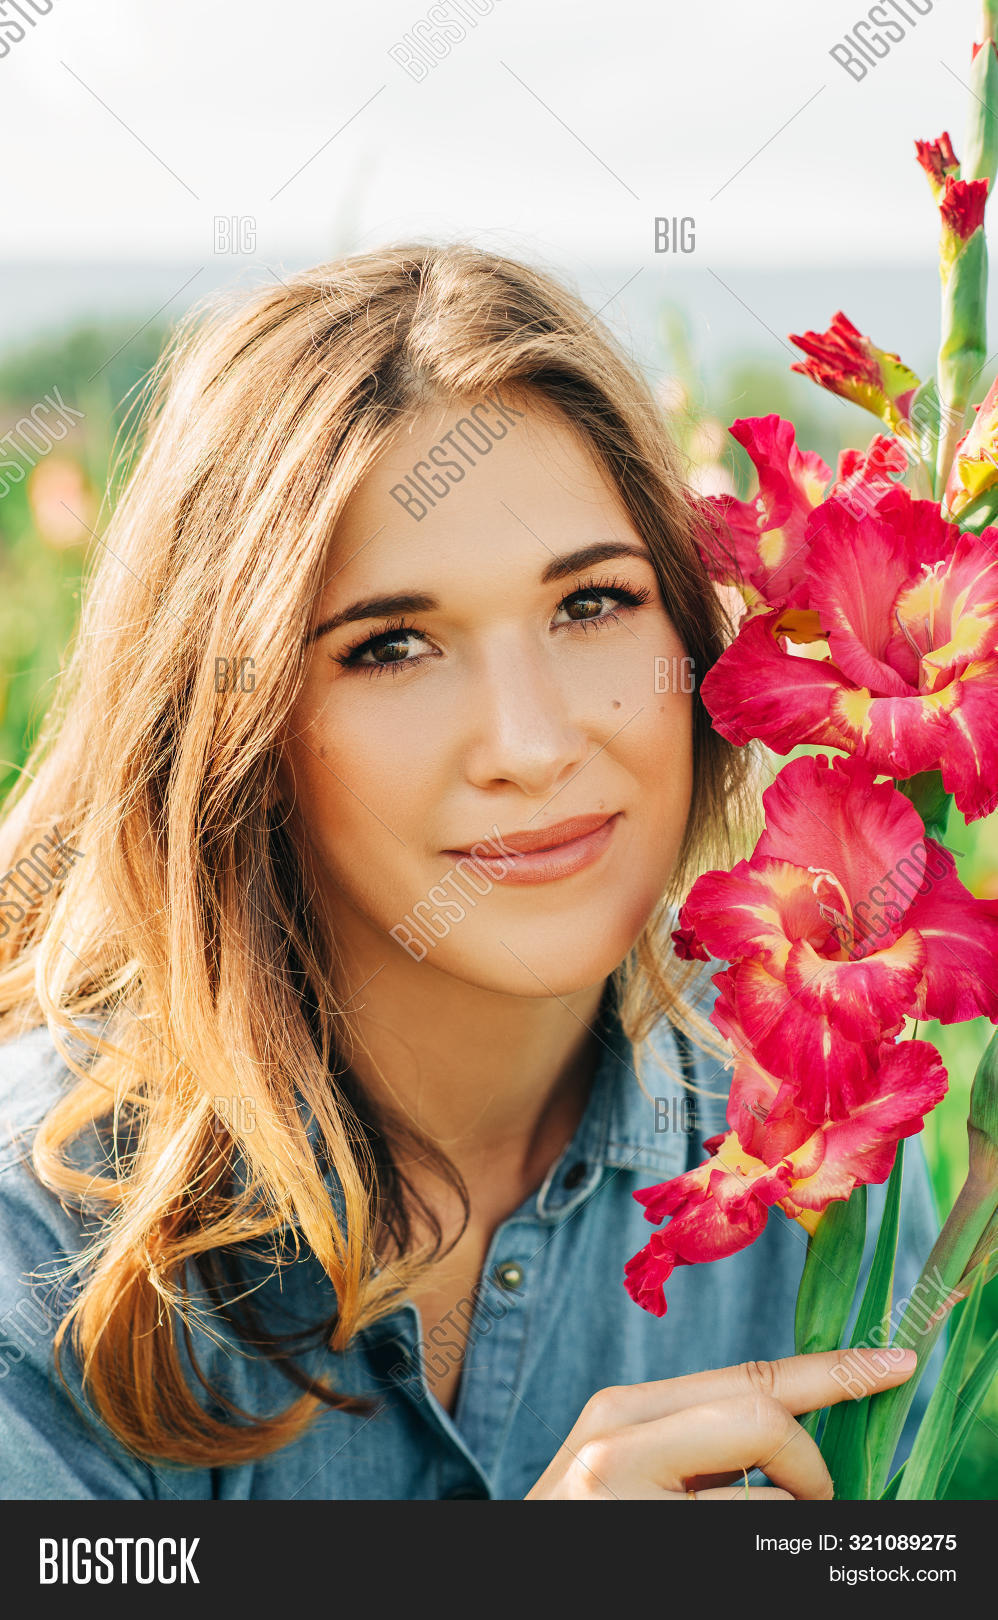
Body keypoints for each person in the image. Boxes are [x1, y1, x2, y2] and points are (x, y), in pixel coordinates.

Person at [0, 244, 935, 1500]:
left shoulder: (808, 1118)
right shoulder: (36, 1253)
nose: (533, 745)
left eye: (592, 605)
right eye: (391, 645)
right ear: (233, 733)